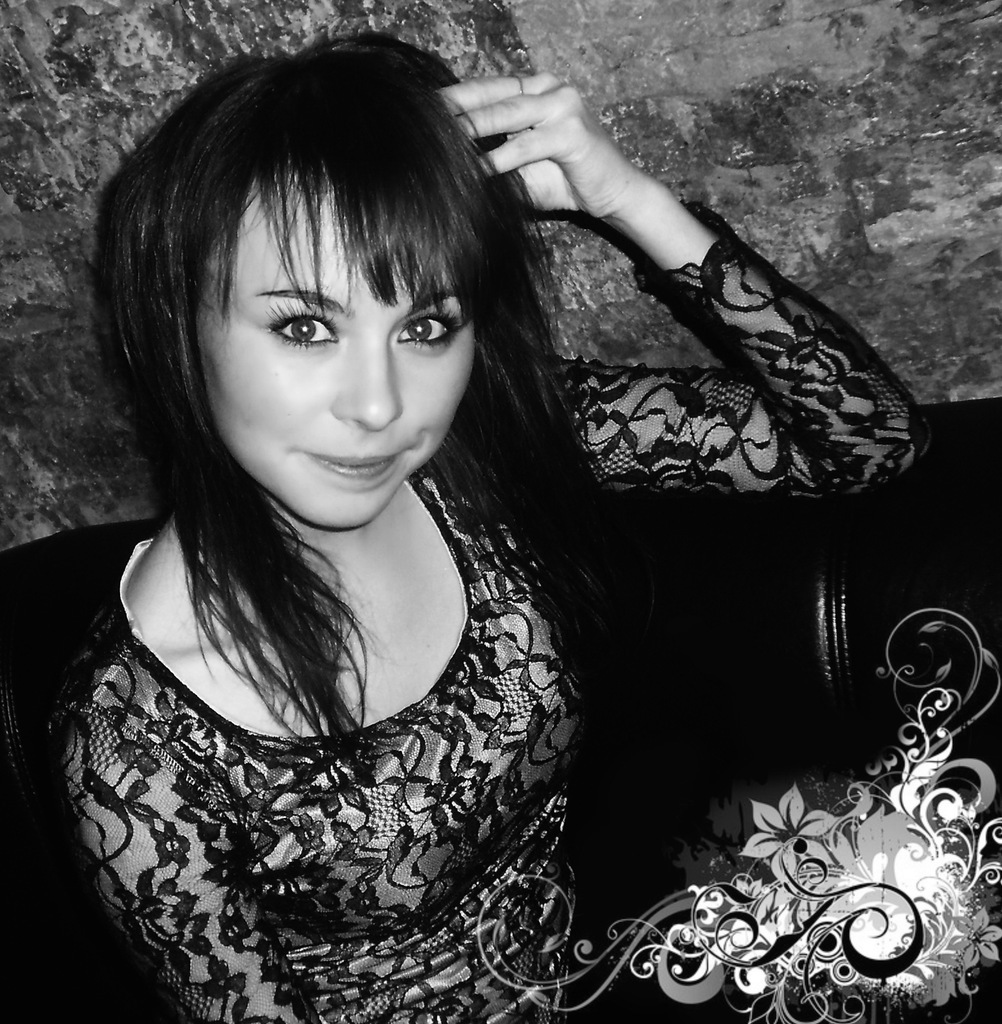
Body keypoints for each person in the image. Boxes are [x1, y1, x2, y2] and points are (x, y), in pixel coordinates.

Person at [49, 32, 926, 1024]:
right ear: (179, 324)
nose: (380, 405)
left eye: (425, 326)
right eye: (304, 326)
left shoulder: (483, 452)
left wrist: (628, 200)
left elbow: (866, 440)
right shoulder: (133, 749)